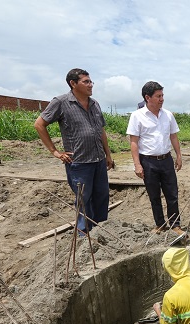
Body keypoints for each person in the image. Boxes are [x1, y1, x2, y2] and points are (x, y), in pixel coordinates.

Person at [34, 68, 114, 235]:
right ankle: (84, 235)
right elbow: (39, 124)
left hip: (98, 160)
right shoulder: (61, 102)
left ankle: (101, 231)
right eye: (86, 82)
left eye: (91, 81)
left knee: (102, 196)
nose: (90, 85)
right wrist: (55, 151)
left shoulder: (94, 104)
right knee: (84, 200)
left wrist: (108, 154)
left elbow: (101, 131)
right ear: (73, 84)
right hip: (79, 163)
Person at [127, 81, 185, 236]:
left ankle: (175, 224)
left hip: (166, 160)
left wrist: (178, 155)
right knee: (154, 195)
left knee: (172, 193)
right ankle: (160, 224)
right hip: (148, 162)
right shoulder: (137, 116)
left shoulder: (168, 115)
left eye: (162, 95)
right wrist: (137, 164)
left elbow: (173, 136)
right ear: (148, 97)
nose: (161, 99)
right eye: (158, 96)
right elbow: (134, 142)